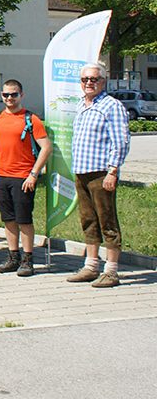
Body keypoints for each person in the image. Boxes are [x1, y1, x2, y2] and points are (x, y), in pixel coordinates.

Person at [67, 63, 130, 288]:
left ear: (103, 81)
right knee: (88, 220)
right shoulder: (81, 106)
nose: (89, 83)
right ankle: (91, 266)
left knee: (107, 221)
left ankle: (111, 271)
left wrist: (113, 171)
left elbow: (120, 141)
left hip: (101, 173)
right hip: (81, 171)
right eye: (85, 79)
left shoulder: (111, 106)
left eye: (94, 79)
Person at [0, 79, 51, 277]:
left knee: (24, 220)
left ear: (21, 95)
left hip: (23, 177)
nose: (9, 98)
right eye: (5, 95)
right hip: (2, 176)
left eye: (13, 94)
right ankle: (12, 256)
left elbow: (46, 147)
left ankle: (28, 259)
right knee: (8, 219)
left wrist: (34, 174)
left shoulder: (31, 119)